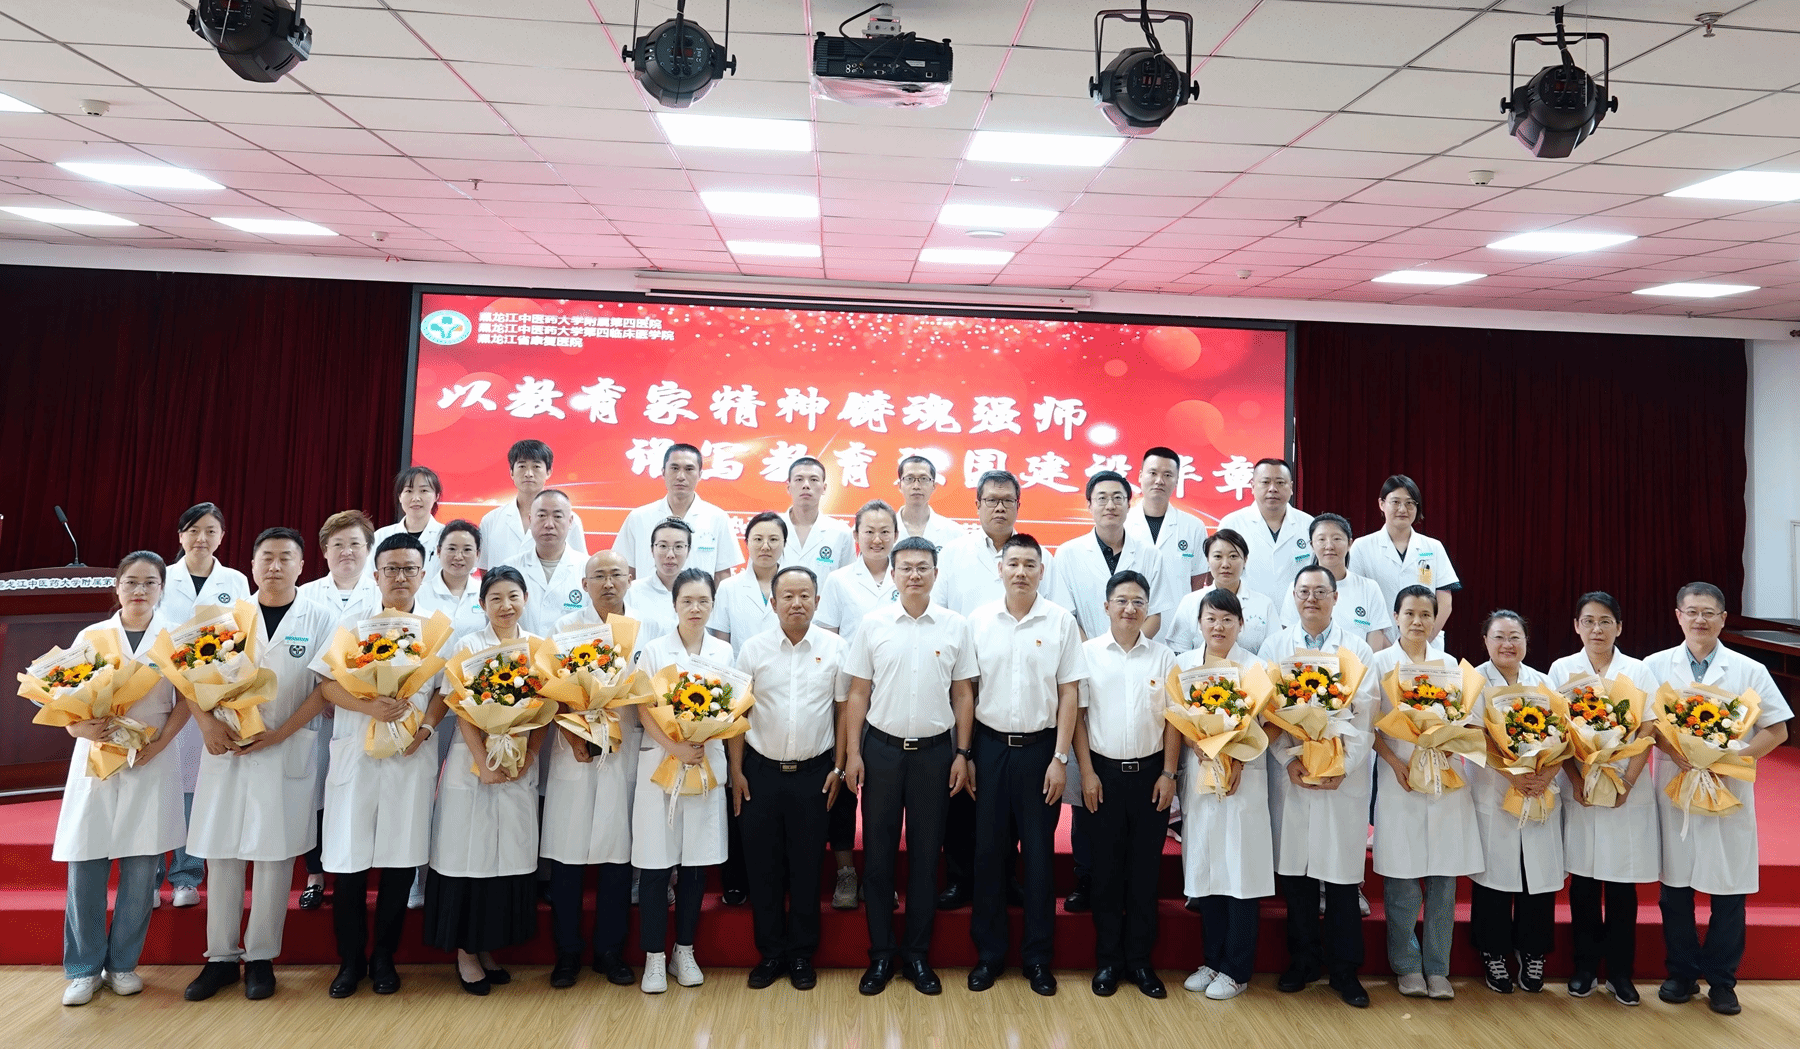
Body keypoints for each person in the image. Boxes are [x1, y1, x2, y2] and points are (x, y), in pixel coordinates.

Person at [182, 527, 336, 1003]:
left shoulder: (321, 617)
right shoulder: (225, 618)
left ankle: (262, 957)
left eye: (285, 557)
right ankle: (221, 958)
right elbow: (188, 677)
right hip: (227, 752)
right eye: (266, 556)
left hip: (285, 749)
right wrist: (207, 724)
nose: (274, 565)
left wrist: (281, 733)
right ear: (250, 565)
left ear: (302, 565)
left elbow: (326, 688)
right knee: (222, 852)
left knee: (274, 856)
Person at [1643, 582, 1791, 1016]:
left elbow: (1777, 729)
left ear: (1723, 619)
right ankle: (1681, 974)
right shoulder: (1654, 666)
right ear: (1678, 616)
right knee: (1675, 890)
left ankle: (1723, 981)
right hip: (1677, 787)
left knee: (1730, 890)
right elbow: (1648, 727)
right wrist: (1678, 752)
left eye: (1709, 612)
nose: (1700, 620)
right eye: (1692, 612)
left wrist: (1732, 759)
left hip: (1728, 791)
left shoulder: (1748, 669)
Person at [314, 534, 448, 998]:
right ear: (376, 575)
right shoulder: (352, 623)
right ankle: (350, 961)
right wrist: (369, 707)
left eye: (409, 569)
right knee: (349, 861)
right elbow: (326, 686)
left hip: (410, 755)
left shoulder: (435, 628)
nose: (400, 577)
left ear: (422, 575)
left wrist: (425, 730)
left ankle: (384, 958)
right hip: (357, 752)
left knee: (400, 860)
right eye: (391, 569)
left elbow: (445, 693)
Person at [54, 553, 189, 1007]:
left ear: (162, 589)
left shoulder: (173, 638)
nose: (139, 590)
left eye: (150, 582)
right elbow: (65, 696)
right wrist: (77, 728)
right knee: (86, 862)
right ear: (116, 587)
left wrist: (161, 743)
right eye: (131, 582)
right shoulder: (92, 636)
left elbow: (188, 701)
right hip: (97, 758)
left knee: (140, 867)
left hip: (150, 758)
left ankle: (123, 964)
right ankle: (83, 969)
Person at [844, 537, 977, 997]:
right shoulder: (873, 624)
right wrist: (853, 754)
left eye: (923, 567)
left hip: (935, 755)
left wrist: (962, 754)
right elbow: (857, 693)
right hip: (881, 752)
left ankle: (918, 955)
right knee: (878, 857)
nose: (914, 575)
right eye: (906, 568)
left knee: (925, 857)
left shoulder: (956, 626)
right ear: (894, 574)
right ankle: (881, 954)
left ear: (936, 574)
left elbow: (963, 694)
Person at [967, 535, 1088, 997]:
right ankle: (989, 954)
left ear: (1042, 571)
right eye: (1013, 563)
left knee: (1038, 857)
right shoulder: (978, 621)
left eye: (1029, 564)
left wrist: (1060, 758)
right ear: (1000, 569)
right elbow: (966, 692)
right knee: (988, 853)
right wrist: (966, 754)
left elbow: (1069, 694)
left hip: (1041, 752)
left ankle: (1038, 958)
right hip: (989, 748)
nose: (1021, 572)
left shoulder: (1060, 622)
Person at [1258, 564, 1378, 1008]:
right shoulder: (1275, 647)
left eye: (1320, 592)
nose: (1312, 599)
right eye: (1304, 591)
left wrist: (1343, 764)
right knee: (1297, 878)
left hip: (1341, 779)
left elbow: (1366, 714)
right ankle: (1303, 962)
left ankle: (1346, 971)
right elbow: (1268, 713)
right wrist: (1286, 758)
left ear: (1335, 598)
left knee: (1342, 880)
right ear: (1293, 596)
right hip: (1293, 774)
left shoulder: (1356, 650)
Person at [933, 470, 1050, 910]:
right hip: (962, 687)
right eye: (991, 500)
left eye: (1007, 500)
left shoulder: (1034, 556)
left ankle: (1006, 876)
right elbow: (940, 616)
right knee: (962, 788)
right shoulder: (955, 553)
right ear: (977, 505)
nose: (999, 507)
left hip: (1015, 689)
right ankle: (960, 877)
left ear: (1019, 506)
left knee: (1011, 799)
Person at [428, 566, 547, 995]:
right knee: (469, 857)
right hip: (472, 765)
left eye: (513, 596)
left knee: (504, 861)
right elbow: (461, 711)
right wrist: (484, 762)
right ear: (482, 605)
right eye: (495, 598)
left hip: (517, 766)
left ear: (526, 599)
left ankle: (488, 947)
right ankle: (465, 953)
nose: (505, 605)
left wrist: (529, 757)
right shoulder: (468, 646)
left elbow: (545, 712)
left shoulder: (538, 649)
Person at [730, 566, 849, 991]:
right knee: (763, 868)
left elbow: (842, 712)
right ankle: (770, 954)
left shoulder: (836, 648)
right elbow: (738, 713)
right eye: (788, 596)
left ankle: (800, 955)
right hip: (760, 773)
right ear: (773, 602)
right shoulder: (753, 649)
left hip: (814, 775)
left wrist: (839, 767)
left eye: (805, 596)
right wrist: (736, 771)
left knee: (806, 867)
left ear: (817, 600)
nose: (796, 603)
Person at [1370, 585, 1483, 1000]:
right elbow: (1369, 724)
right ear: (1396, 617)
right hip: (1399, 778)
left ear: (1436, 620)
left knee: (1443, 878)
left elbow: (1466, 722)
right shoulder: (1379, 663)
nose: (1417, 621)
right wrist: (1395, 762)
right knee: (1402, 878)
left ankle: (1438, 968)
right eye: (1410, 613)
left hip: (1443, 780)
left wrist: (1447, 746)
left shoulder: (1449, 665)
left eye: (1425, 614)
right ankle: (1406, 966)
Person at [1547, 591, 1659, 1005]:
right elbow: (1556, 731)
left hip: (1626, 785)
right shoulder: (1562, 669)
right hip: (1582, 786)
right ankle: (1584, 969)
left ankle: (1620, 974)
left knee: (1622, 885)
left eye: (1606, 621)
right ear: (1577, 626)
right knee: (1584, 882)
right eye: (1589, 621)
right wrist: (1575, 779)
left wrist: (1628, 780)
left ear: (1619, 627)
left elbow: (1648, 729)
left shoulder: (1638, 670)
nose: (1597, 629)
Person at [1074, 570, 1178, 999]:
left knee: (1144, 872)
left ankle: (1140, 962)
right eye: (1121, 601)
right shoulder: (1087, 654)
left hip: (1152, 776)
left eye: (1138, 601)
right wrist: (1087, 773)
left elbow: (1173, 721)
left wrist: (1169, 773)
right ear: (1106, 607)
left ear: (1147, 608)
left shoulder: (1163, 657)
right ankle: (1108, 962)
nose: (1130, 608)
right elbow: (1078, 718)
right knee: (1106, 872)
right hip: (1103, 775)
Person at [542, 549, 642, 990]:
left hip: (621, 752)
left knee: (617, 858)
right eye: (598, 576)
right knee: (567, 859)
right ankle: (567, 953)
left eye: (616, 574)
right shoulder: (565, 629)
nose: (608, 583)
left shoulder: (644, 628)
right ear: (584, 584)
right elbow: (551, 689)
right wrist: (572, 735)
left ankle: (610, 952)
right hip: (575, 753)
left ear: (629, 579)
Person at [633, 569, 734, 993]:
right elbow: (644, 708)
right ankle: (654, 957)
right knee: (657, 865)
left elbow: (732, 707)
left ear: (713, 605)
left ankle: (684, 950)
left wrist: (700, 740)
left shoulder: (724, 651)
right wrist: (675, 747)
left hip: (705, 762)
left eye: (703, 601)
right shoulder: (655, 650)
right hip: (662, 763)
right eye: (687, 601)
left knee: (695, 863)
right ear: (674, 604)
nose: (695, 608)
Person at [1174, 588, 1273, 1002]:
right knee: (1208, 868)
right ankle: (1212, 960)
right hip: (1201, 779)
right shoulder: (1183, 666)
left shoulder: (1256, 669)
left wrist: (1240, 758)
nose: (1218, 626)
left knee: (1240, 872)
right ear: (1199, 623)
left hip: (1242, 783)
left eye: (1227, 620)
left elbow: (1271, 724)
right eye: (1211, 619)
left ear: (1241, 625)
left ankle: (1237, 970)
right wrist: (1196, 741)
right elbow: (1176, 721)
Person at [158, 502, 249, 910]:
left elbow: (244, 636)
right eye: (193, 530)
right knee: (159, 787)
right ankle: (150, 878)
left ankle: (186, 876)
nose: (201, 538)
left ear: (222, 537)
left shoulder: (236, 580)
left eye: (211, 531)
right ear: (181, 535)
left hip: (213, 700)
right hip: (165, 694)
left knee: (195, 788)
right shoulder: (162, 577)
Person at [1470, 611, 1563, 996]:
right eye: (1499, 636)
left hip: (1539, 790)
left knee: (1536, 876)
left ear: (1526, 641)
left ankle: (1533, 951)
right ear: (1485, 640)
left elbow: (1565, 737)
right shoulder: (1474, 681)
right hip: (1495, 789)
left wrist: (1546, 775)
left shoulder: (1543, 682)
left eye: (1515, 637)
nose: (1507, 644)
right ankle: (1493, 952)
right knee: (1494, 876)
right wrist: (1512, 775)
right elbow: (1474, 736)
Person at [815, 498, 900, 910]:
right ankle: (846, 872)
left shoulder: (909, 575)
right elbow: (827, 638)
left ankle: (881, 874)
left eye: (885, 531)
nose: (877, 539)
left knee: (886, 795)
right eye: (869, 531)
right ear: (856, 536)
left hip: (897, 698)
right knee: (844, 782)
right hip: (848, 696)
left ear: (897, 535)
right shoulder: (839, 581)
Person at [295, 510, 381, 910]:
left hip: (361, 712)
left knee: (353, 791)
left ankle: (355, 870)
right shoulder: (306, 594)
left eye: (355, 544)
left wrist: (347, 695)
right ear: (324, 550)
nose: (347, 551)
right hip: (313, 709)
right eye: (338, 544)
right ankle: (314, 874)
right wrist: (323, 692)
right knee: (313, 791)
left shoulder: (380, 594)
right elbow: (300, 653)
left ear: (369, 550)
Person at [1053, 471, 1179, 641]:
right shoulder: (1067, 554)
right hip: (1085, 653)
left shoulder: (1150, 555)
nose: (1110, 506)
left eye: (1118, 498)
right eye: (1102, 498)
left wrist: (1128, 649)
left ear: (1128, 505)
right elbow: (1065, 615)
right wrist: (1091, 651)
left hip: (1136, 652)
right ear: (1089, 505)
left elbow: (1154, 616)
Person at [1349, 475, 1461, 643]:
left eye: (1410, 503)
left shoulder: (1433, 547)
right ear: (1381, 504)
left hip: (1426, 641)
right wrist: (1385, 645)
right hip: (1378, 642)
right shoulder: (1362, 546)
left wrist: (1425, 640)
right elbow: (1356, 599)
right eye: (1395, 502)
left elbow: (1445, 602)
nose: (1402, 509)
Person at [613, 443, 742, 582]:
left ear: (700, 474)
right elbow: (625, 572)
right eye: (674, 468)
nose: (681, 476)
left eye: (689, 469)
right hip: (647, 596)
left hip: (698, 597)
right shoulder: (638, 518)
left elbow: (722, 577)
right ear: (663, 472)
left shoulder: (717, 518)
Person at [1278, 514, 1391, 652]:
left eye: (1337, 539)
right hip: (1305, 664)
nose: (1329, 546)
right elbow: (1288, 639)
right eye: (1321, 539)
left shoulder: (1369, 588)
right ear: (1312, 545)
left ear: (1349, 544)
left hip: (1358, 665)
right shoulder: (1299, 588)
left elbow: (1374, 649)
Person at [1166, 530, 1280, 656]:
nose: (1225, 564)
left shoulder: (1264, 605)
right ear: (1207, 560)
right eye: (1218, 557)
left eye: (1233, 556)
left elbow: (1275, 650)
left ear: (1245, 560)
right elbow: (1179, 649)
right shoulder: (1191, 601)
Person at [478, 439, 588, 568]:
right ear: (511, 472)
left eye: (536, 467)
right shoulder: (491, 520)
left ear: (548, 472)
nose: (529, 474)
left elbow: (580, 566)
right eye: (522, 466)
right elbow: (483, 568)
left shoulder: (569, 519)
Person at [1216, 458, 1313, 601]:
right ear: (1253, 486)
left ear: (1291, 487)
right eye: (1265, 482)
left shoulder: (1309, 524)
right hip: (1245, 608)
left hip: (1297, 610)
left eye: (1280, 482)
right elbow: (1219, 575)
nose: (1272, 489)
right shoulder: (1232, 524)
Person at [1125, 447, 1208, 593]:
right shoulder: (1122, 524)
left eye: (1167, 475)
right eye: (1153, 473)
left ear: (1176, 481)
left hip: (1178, 608)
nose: (1159, 481)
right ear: (1140, 476)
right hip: (1132, 607)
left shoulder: (1194, 526)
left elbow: (1198, 580)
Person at [513, 488, 589, 637]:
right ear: (530, 520)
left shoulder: (589, 569)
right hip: (523, 651)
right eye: (541, 516)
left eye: (557, 516)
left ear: (570, 521)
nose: (549, 524)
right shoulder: (510, 568)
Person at [712, 512, 786, 658]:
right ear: (746, 543)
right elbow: (721, 646)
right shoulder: (728, 588)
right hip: (740, 669)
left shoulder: (796, 588)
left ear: (784, 543)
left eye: (773, 539)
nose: (765, 546)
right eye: (758, 539)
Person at [413, 519, 487, 650]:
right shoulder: (418, 594)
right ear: (438, 551)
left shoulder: (486, 593)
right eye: (452, 549)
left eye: (467, 549)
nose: (458, 556)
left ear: (477, 554)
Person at [779, 457, 855, 580]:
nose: (806, 485)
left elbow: (848, 581)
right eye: (799, 479)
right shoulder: (770, 527)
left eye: (813, 479)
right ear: (789, 487)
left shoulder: (841, 532)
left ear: (824, 488)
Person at [625, 518, 692, 642]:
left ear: (688, 551)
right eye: (663, 546)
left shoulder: (699, 592)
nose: (670, 554)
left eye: (678, 546)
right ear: (652, 550)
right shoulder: (631, 592)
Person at [373, 466, 446, 571]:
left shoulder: (446, 537)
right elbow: (370, 575)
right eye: (409, 491)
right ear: (400, 496)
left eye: (424, 490)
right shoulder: (381, 536)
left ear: (436, 496)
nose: (416, 498)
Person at [893, 454, 966, 548]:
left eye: (923, 479)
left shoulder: (954, 532)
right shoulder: (885, 530)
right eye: (909, 479)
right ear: (900, 485)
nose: (916, 486)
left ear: (934, 486)